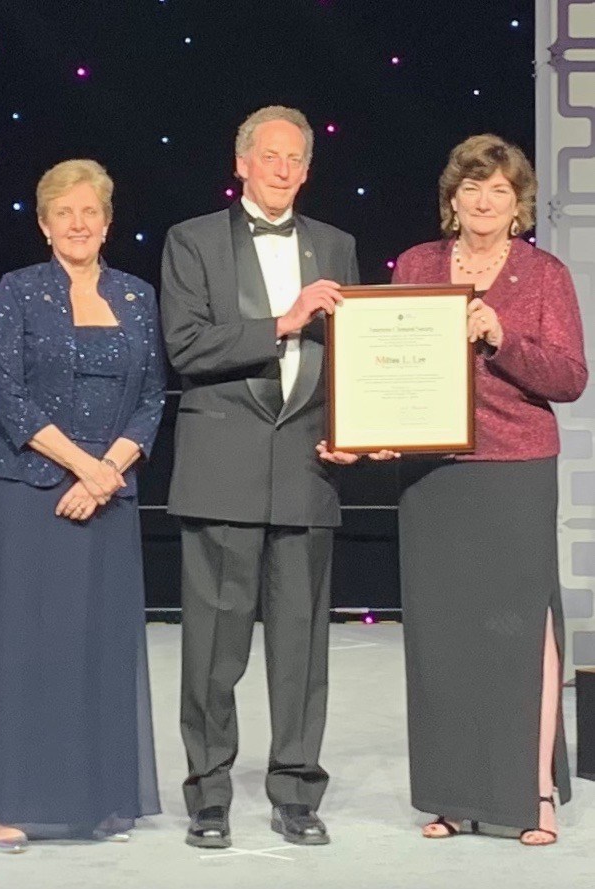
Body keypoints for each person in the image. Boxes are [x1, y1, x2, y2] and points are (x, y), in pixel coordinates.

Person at [322, 133, 587, 846]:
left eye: (499, 190)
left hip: (514, 468)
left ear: (518, 203)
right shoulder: (417, 265)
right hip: (433, 472)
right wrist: (369, 428)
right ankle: (451, 793)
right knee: (442, 639)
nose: (484, 200)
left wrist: (501, 335)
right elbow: (385, 357)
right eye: (473, 187)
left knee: (521, 629)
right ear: (453, 196)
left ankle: (533, 792)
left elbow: (569, 376)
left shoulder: (544, 274)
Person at [160, 105, 361, 848]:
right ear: (240, 163)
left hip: (309, 470)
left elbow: (353, 356)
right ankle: (209, 794)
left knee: (302, 651)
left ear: (307, 170)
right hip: (222, 472)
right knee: (214, 650)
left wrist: (353, 431)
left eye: (294, 159)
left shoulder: (337, 244)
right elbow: (185, 346)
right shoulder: (192, 240)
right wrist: (284, 319)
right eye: (268, 156)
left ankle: (297, 791)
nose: (281, 169)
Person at [0, 159, 165, 852]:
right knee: (31, 649)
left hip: (109, 497)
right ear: (45, 224)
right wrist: (84, 466)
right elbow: (9, 393)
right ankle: (18, 798)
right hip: (29, 495)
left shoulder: (136, 296)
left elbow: (152, 397)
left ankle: (101, 796)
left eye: (90, 212)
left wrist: (108, 473)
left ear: (107, 222)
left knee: (98, 648)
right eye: (63, 213)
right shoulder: (19, 291)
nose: (78, 224)